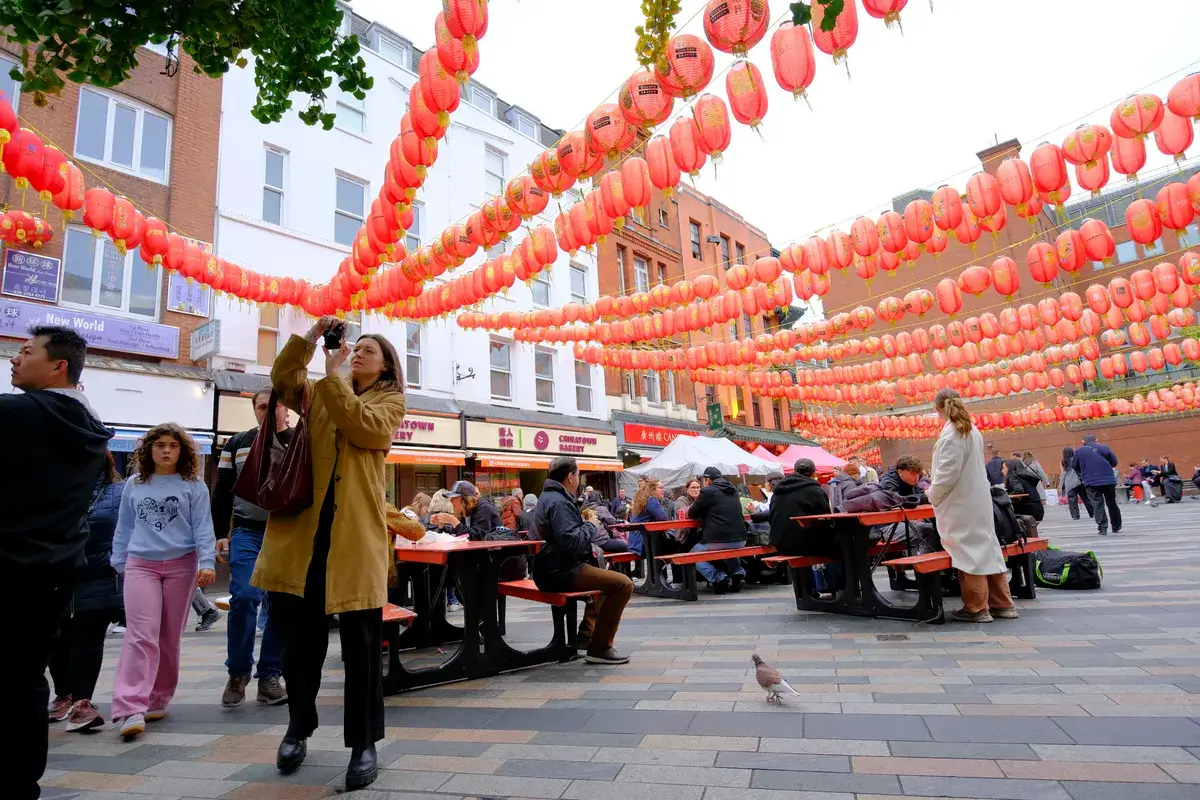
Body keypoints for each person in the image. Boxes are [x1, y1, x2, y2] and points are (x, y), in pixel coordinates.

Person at [251, 318, 412, 790]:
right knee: (301, 646)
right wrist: (307, 339)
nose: (357, 354)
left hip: (354, 540)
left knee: (362, 649)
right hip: (304, 536)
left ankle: (364, 743)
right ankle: (298, 726)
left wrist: (335, 377)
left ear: (385, 370)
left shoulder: (390, 401)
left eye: (369, 351)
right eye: (354, 347)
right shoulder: (321, 390)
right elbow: (283, 383)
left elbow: (362, 428)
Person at [3, 325, 113, 799]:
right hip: (54, 571)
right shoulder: (88, 427)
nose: (13, 359)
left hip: (8, 566)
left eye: (25, 352)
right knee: (27, 679)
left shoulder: (20, 414)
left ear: (58, 366)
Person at [110, 423, 217, 740]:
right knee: (141, 635)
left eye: (173, 445)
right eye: (160, 445)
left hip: (181, 566)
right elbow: (124, 526)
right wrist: (119, 562)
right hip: (140, 564)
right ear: (149, 450)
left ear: (182, 450)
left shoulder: (193, 487)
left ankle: (158, 698)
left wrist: (207, 561)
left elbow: (202, 526)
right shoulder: (135, 484)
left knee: (169, 636)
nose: (167, 450)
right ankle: (131, 706)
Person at [212, 387, 291, 709]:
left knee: (280, 606)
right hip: (247, 532)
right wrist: (220, 533)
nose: (268, 411)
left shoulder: (301, 441)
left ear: (287, 410)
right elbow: (221, 491)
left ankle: (270, 675)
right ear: (254, 410)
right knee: (244, 597)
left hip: (288, 535)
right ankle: (238, 673)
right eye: (261, 406)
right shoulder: (236, 443)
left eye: (274, 406)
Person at [48, 451, 125, 733]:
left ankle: (83, 703)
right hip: (58, 573)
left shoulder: (119, 491)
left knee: (88, 639)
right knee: (58, 639)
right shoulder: (55, 490)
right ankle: (63, 693)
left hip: (100, 575)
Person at [532, 456, 634, 664]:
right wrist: (590, 524)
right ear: (570, 477)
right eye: (578, 474)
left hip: (552, 567)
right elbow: (572, 542)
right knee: (623, 584)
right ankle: (600, 647)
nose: (579, 477)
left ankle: (587, 636)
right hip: (561, 570)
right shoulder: (559, 501)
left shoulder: (550, 496)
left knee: (608, 579)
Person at [927, 389, 1017, 623]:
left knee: (967, 551)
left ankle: (976, 607)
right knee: (987, 547)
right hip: (978, 499)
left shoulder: (951, 434)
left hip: (959, 502)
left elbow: (947, 474)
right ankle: (1002, 603)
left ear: (938, 409)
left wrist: (932, 494)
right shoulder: (971, 429)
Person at [686, 467, 749, 594]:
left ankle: (719, 578)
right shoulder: (733, 489)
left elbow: (692, 514)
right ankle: (737, 573)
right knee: (727, 548)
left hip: (719, 539)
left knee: (691, 555)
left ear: (708, 480)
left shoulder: (708, 491)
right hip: (741, 538)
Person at [767, 459, 834, 556]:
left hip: (780, 545)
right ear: (813, 473)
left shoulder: (777, 492)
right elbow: (826, 518)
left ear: (794, 471)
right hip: (806, 545)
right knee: (843, 546)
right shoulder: (814, 490)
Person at [1071, 433, 1121, 536]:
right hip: (1108, 479)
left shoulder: (1079, 451)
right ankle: (1116, 525)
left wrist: (1084, 471)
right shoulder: (1105, 448)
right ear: (1096, 440)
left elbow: (1074, 465)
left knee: (1097, 504)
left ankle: (1102, 527)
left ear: (1083, 441)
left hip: (1091, 480)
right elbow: (1114, 462)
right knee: (1111, 502)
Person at [435, 481, 502, 539]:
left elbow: (476, 537)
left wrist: (454, 521)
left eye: (454, 498)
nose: (451, 501)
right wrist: (442, 526)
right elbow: (458, 533)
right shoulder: (466, 509)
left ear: (465, 500)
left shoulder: (485, 508)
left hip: (493, 552)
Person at [628, 479, 668, 557]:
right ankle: (659, 569)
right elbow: (664, 518)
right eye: (660, 488)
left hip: (635, 543)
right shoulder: (652, 500)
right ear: (652, 491)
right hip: (643, 544)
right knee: (679, 545)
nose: (663, 490)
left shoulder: (644, 501)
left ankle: (658, 568)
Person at [1060, 446, 1093, 520]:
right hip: (1079, 480)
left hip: (1069, 482)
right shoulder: (1076, 459)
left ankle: (1075, 515)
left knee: (1072, 499)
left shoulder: (1063, 461)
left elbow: (1063, 473)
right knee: (1086, 497)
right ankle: (1092, 512)